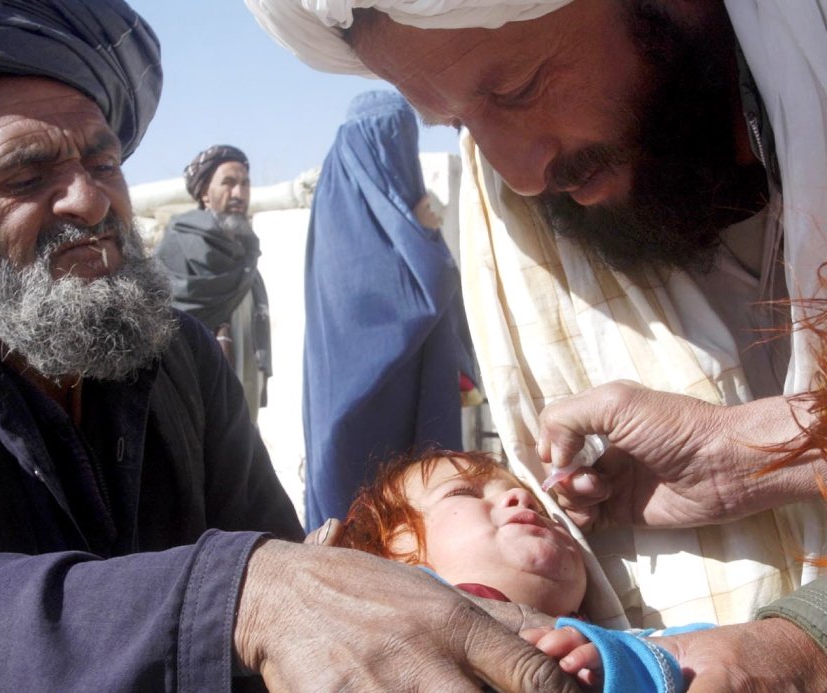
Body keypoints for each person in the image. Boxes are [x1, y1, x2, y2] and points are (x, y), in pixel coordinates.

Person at [0, 1, 584, 690]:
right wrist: (235, 596)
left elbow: (291, 585)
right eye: (25, 175)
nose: (90, 200)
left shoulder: (179, 359)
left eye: (104, 163)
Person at [244, 0, 827, 687]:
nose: (518, 175)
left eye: (517, 90)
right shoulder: (527, 218)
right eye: (461, 125)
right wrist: (751, 455)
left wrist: (800, 640)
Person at [340, 447, 713, 693]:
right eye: (463, 493)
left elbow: (705, 656)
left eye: (539, 505)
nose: (521, 499)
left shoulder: (610, 645)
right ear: (397, 553)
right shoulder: (376, 643)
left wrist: (619, 662)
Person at [303, 89, 479, 528]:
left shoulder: (372, 197)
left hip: (396, 381)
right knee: (362, 505)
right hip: (362, 389)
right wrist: (427, 240)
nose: (399, 154)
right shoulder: (347, 205)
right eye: (389, 141)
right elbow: (399, 297)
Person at [154, 145, 271, 423]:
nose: (239, 194)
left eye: (245, 184)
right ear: (205, 193)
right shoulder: (176, 250)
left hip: (244, 395)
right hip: (191, 397)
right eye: (228, 183)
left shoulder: (246, 255)